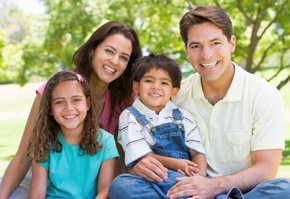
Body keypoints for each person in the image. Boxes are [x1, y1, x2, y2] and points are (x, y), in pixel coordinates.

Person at [109, 6, 290, 199]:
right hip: (180, 187)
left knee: (284, 188)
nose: (206, 55)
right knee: (122, 186)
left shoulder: (263, 95)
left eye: (215, 43)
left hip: (237, 193)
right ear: (187, 50)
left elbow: (266, 169)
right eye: (196, 46)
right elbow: (142, 147)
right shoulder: (175, 96)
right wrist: (141, 166)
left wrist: (212, 186)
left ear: (232, 44)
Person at [0, 20, 142, 199]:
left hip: (85, 185)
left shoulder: (123, 100)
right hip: (38, 177)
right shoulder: (54, 91)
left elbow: (121, 157)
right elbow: (23, 157)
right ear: (92, 51)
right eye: (109, 51)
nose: (114, 61)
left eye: (124, 57)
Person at [109, 53, 207, 199]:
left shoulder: (183, 115)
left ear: (174, 91)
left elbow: (197, 152)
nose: (156, 87)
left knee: (193, 185)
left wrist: (200, 177)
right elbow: (142, 157)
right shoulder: (129, 116)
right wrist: (176, 164)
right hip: (152, 178)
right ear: (136, 87)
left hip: (185, 176)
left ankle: (190, 192)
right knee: (120, 186)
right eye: (149, 81)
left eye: (164, 83)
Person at [27, 70, 119, 198]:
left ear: (87, 104)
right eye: (59, 102)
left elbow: (104, 191)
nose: (69, 108)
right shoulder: (43, 142)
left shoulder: (106, 141)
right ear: (50, 109)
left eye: (76, 100)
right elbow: (37, 195)